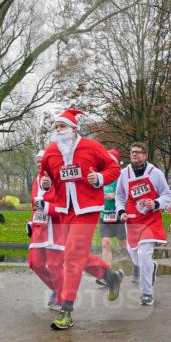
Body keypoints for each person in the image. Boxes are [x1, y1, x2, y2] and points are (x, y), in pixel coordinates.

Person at [38, 109, 123, 330]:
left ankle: (66, 309)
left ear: (74, 129)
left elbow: (114, 168)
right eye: (56, 127)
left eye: (62, 126)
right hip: (65, 210)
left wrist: (100, 178)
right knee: (74, 254)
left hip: (87, 208)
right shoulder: (50, 152)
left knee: (72, 256)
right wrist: (46, 183)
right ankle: (109, 275)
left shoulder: (91, 147)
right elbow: (44, 174)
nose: (58, 130)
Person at [115, 142, 171, 305]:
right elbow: (119, 197)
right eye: (132, 152)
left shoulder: (155, 173)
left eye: (138, 152)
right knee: (136, 258)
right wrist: (121, 211)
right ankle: (151, 267)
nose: (134, 155)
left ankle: (146, 293)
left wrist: (155, 203)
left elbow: (167, 195)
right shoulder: (124, 174)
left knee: (143, 255)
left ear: (145, 155)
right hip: (132, 221)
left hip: (150, 221)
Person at [27, 149, 65, 311]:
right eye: (36, 161)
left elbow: (65, 208)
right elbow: (35, 205)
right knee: (35, 263)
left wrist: (47, 207)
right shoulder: (36, 181)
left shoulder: (61, 181)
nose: (38, 164)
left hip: (57, 229)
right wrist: (31, 221)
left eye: (41, 160)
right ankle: (57, 288)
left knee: (54, 265)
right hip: (39, 229)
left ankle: (62, 296)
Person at [96, 148, 128, 287]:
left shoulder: (122, 176)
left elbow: (130, 195)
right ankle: (107, 275)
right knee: (106, 244)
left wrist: (115, 196)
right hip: (105, 216)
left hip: (120, 216)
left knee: (125, 246)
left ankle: (136, 268)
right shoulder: (100, 176)